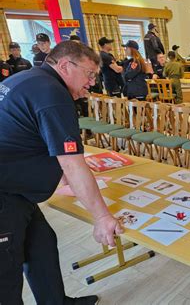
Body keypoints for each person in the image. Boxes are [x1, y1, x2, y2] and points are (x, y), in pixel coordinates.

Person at [0, 40, 122, 304]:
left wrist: (61, 175)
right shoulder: (53, 94)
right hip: (4, 195)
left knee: (41, 245)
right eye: (89, 74)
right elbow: (72, 162)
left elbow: (32, 137)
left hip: (18, 189)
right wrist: (101, 217)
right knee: (5, 279)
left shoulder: (28, 78)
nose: (91, 82)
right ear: (65, 65)